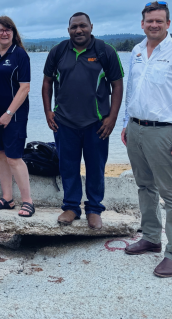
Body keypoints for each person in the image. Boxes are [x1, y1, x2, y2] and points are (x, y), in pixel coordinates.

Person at [121, 1, 172, 278]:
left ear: (168, 24)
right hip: (137, 128)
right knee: (145, 186)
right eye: (149, 21)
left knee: (171, 194)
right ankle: (151, 238)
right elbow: (133, 89)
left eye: (159, 21)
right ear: (142, 23)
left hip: (166, 132)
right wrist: (126, 124)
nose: (153, 25)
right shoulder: (136, 51)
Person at [42, 12, 124, 230]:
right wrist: (48, 111)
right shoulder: (58, 51)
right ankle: (71, 207)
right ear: (68, 29)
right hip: (64, 121)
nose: (78, 30)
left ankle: (94, 209)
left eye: (83, 26)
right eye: (74, 27)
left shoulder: (105, 51)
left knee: (96, 166)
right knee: (68, 166)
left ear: (91, 27)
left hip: (96, 122)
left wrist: (112, 118)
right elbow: (47, 82)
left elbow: (117, 85)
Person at [0, 16, 34, 217]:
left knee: (14, 157)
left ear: (13, 32)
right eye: (0, 30)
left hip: (15, 115)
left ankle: (28, 201)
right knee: (1, 154)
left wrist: (8, 114)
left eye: (8, 30)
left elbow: (25, 88)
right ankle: (7, 198)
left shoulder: (20, 55)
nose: (4, 33)